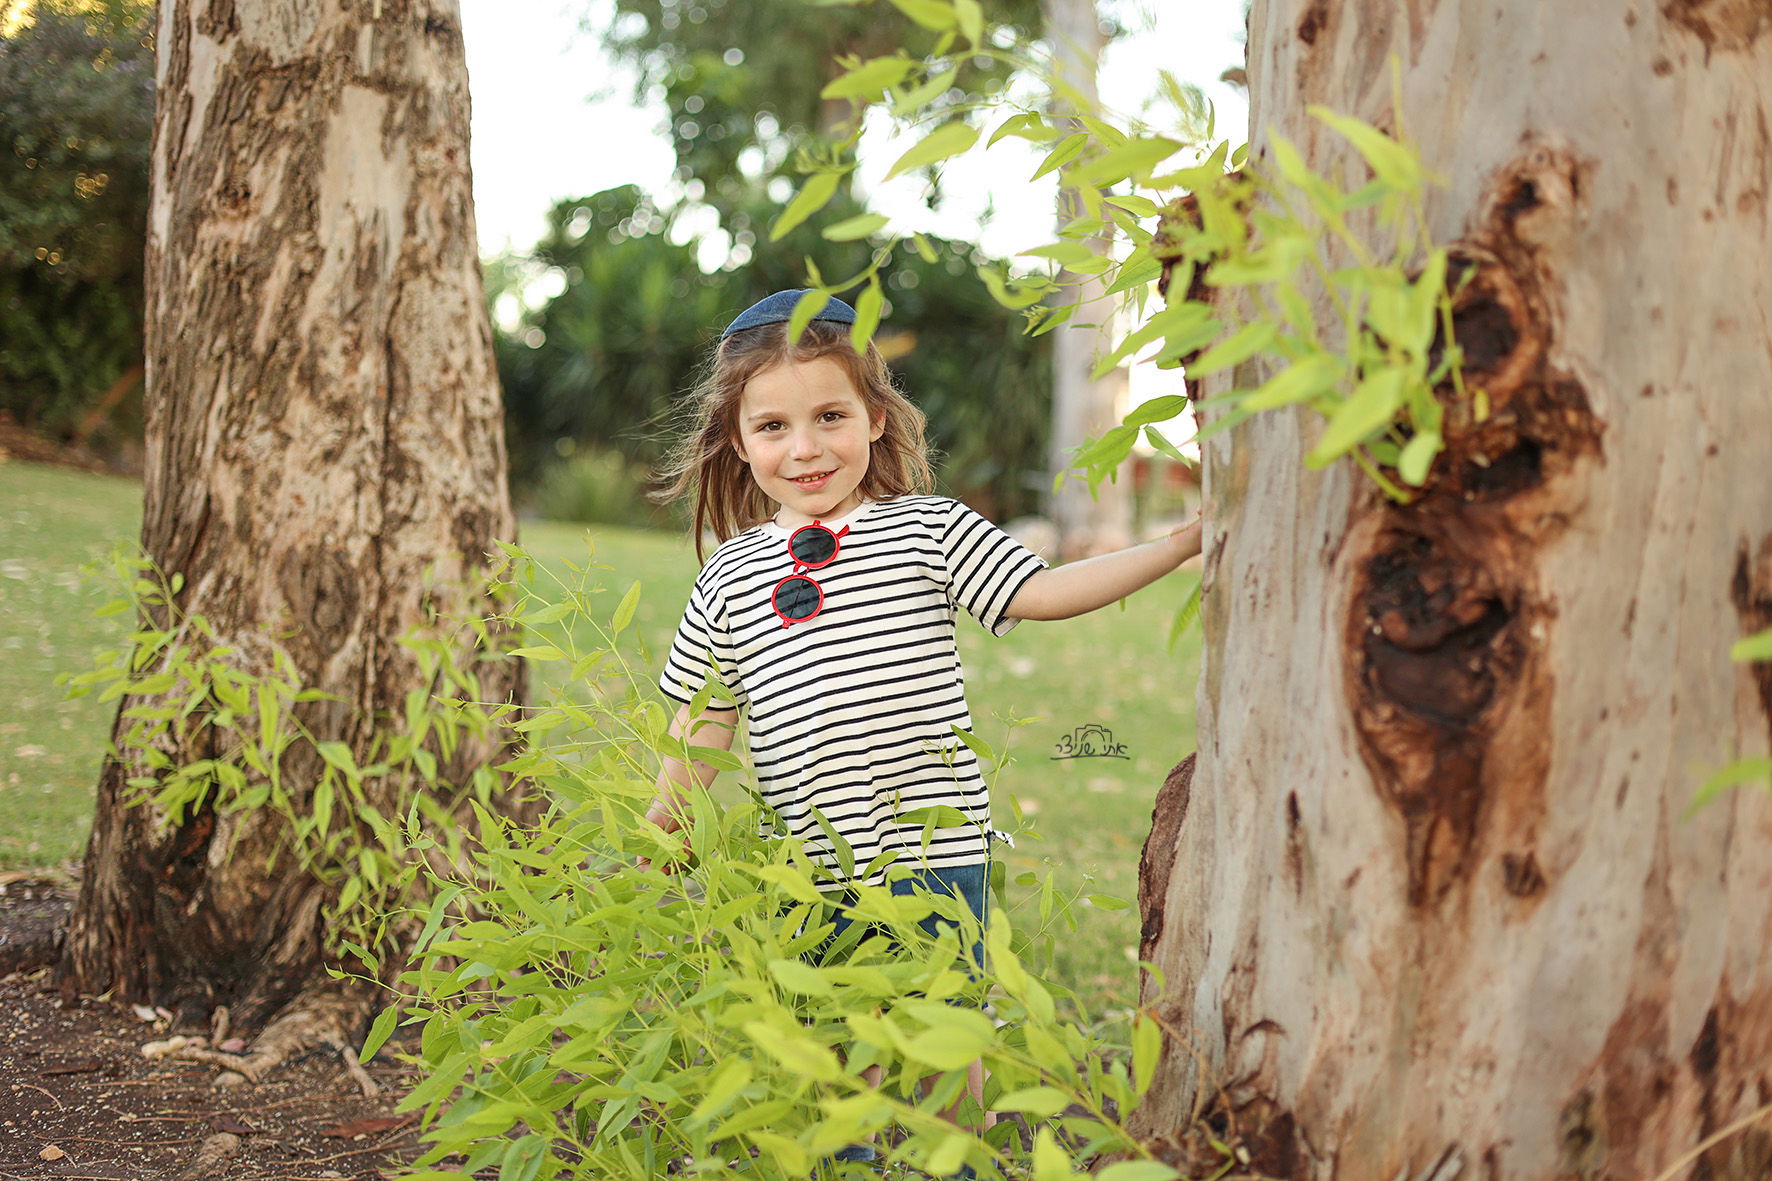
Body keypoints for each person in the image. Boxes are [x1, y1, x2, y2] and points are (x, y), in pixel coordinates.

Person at [644, 289, 1203, 1175]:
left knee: (951, 1048)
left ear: (874, 416)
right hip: (812, 863)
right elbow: (705, 721)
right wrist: (661, 828)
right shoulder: (728, 577)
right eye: (775, 427)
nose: (806, 447)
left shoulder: (926, 532)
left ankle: (969, 1161)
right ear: (739, 441)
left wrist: (1176, 547)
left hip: (934, 850)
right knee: (835, 1053)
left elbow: (1043, 592)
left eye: (830, 415)